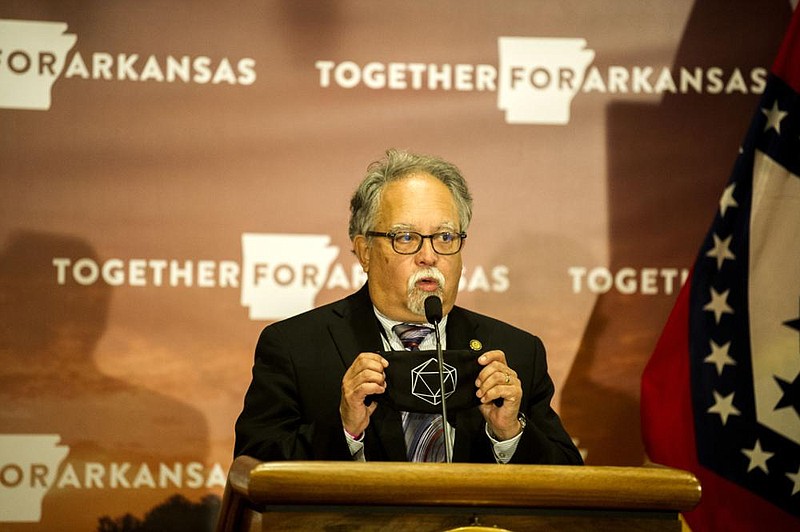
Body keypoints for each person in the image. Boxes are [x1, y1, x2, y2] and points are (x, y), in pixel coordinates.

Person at [234, 149, 582, 465]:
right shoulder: (296, 347)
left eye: (445, 237)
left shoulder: (515, 352)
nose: (428, 256)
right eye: (405, 238)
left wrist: (511, 434)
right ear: (365, 250)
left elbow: (570, 483)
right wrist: (344, 428)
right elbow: (254, 470)